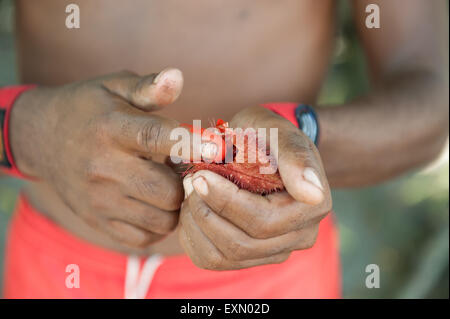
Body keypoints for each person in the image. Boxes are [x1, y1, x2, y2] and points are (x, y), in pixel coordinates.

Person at [0, 0, 448, 298]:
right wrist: (26, 132)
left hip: (268, 275)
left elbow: (432, 94)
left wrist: (300, 139)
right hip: (53, 269)